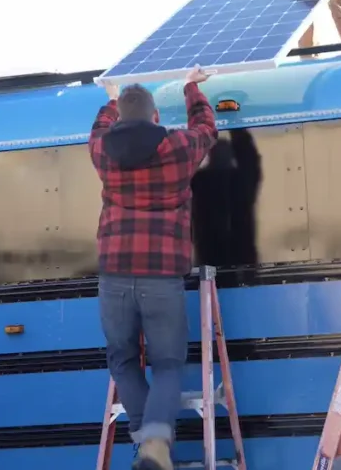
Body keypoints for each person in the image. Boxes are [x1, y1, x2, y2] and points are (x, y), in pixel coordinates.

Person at [88, 66, 217, 470]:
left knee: (123, 360)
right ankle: (154, 442)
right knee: (166, 363)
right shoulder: (178, 148)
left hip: (113, 275)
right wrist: (191, 88)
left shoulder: (101, 150)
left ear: (121, 118)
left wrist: (110, 98)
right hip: (162, 274)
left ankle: (147, 441)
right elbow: (206, 128)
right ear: (157, 116)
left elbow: (99, 126)